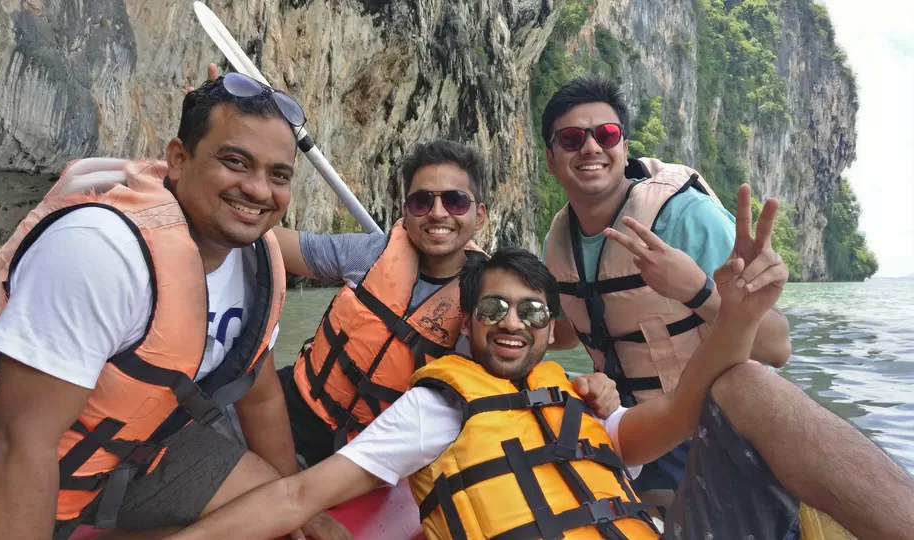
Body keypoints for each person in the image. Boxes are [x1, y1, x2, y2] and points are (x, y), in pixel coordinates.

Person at [160, 189, 914, 540]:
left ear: (551, 329)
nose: (511, 322)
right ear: (468, 326)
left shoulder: (582, 403)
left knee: (750, 381)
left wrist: (735, 315)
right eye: (492, 309)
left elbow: (688, 409)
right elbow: (298, 495)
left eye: (529, 311)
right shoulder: (438, 407)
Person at [0, 73, 349, 539]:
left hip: (122, 457)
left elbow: (260, 395)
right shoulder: (102, 251)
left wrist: (297, 508)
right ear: (178, 159)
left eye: (278, 175)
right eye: (235, 162)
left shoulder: (256, 265)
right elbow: (21, 441)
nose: (260, 190)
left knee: (271, 518)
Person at [539, 73, 794, 505]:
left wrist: (696, 290)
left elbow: (777, 348)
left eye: (606, 134)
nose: (591, 147)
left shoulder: (685, 216)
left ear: (623, 147)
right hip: (632, 428)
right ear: (551, 159)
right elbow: (565, 331)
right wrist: (497, 308)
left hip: (716, 426)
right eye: (571, 139)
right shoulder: (559, 241)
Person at [272, 139, 488, 467]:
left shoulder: (485, 300)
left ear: (479, 215)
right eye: (421, 201)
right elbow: (269, 240)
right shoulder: (371, 254)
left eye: (455, 201)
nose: (437, 213)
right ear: (406, 211)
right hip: (291, 405)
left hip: (365, 458)